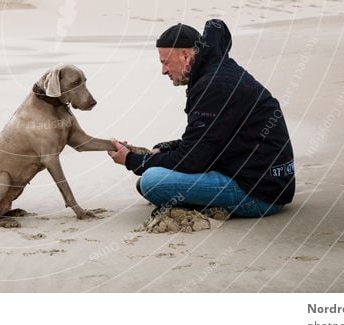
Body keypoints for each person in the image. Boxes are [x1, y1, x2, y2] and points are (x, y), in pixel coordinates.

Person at [108, 19, 294, 218]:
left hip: (259, 195)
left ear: (185, 56)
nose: (163, 71)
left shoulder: (214, 85)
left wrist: (131, 160)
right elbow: (206, 142)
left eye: (165, 62)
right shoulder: (216, 73)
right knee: (148, 180)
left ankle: (201, 205)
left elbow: (193, 159)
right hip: (267, 183)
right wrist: (163, 149)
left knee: (152, 181)